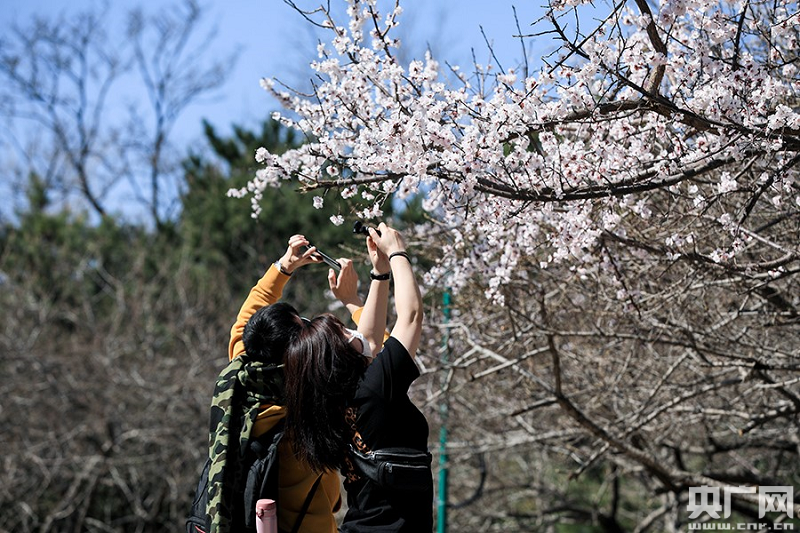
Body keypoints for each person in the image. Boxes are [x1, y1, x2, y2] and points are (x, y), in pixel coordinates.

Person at [206, 234, 366, 533]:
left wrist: (284, 266)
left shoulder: (241, 376)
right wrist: (353, 301)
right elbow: (385, 355)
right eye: (303, 325)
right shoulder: (318, 390)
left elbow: (246, 320)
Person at [283, 222, 433, 532]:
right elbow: (411, 317)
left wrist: (377, 277)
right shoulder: (375, 390)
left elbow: (370, 339)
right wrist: (398, 253)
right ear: (340, 356)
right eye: (344, 332)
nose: (354, 331)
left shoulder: (329, 403)